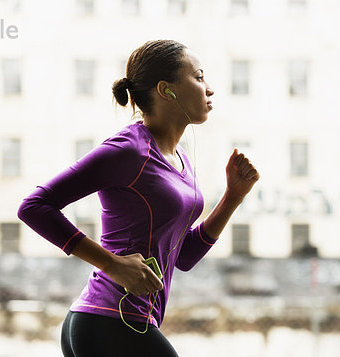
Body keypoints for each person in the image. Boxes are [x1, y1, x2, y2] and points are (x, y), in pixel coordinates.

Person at [17, 39, 260, 357]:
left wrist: (232, 198)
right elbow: (34, 207)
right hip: (110, 321)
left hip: (119, 323)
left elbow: (183, 256)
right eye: (199, 77)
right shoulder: (129, 150)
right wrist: (111, 264)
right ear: (166, 90)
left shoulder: (180, 159)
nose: (209, 89)